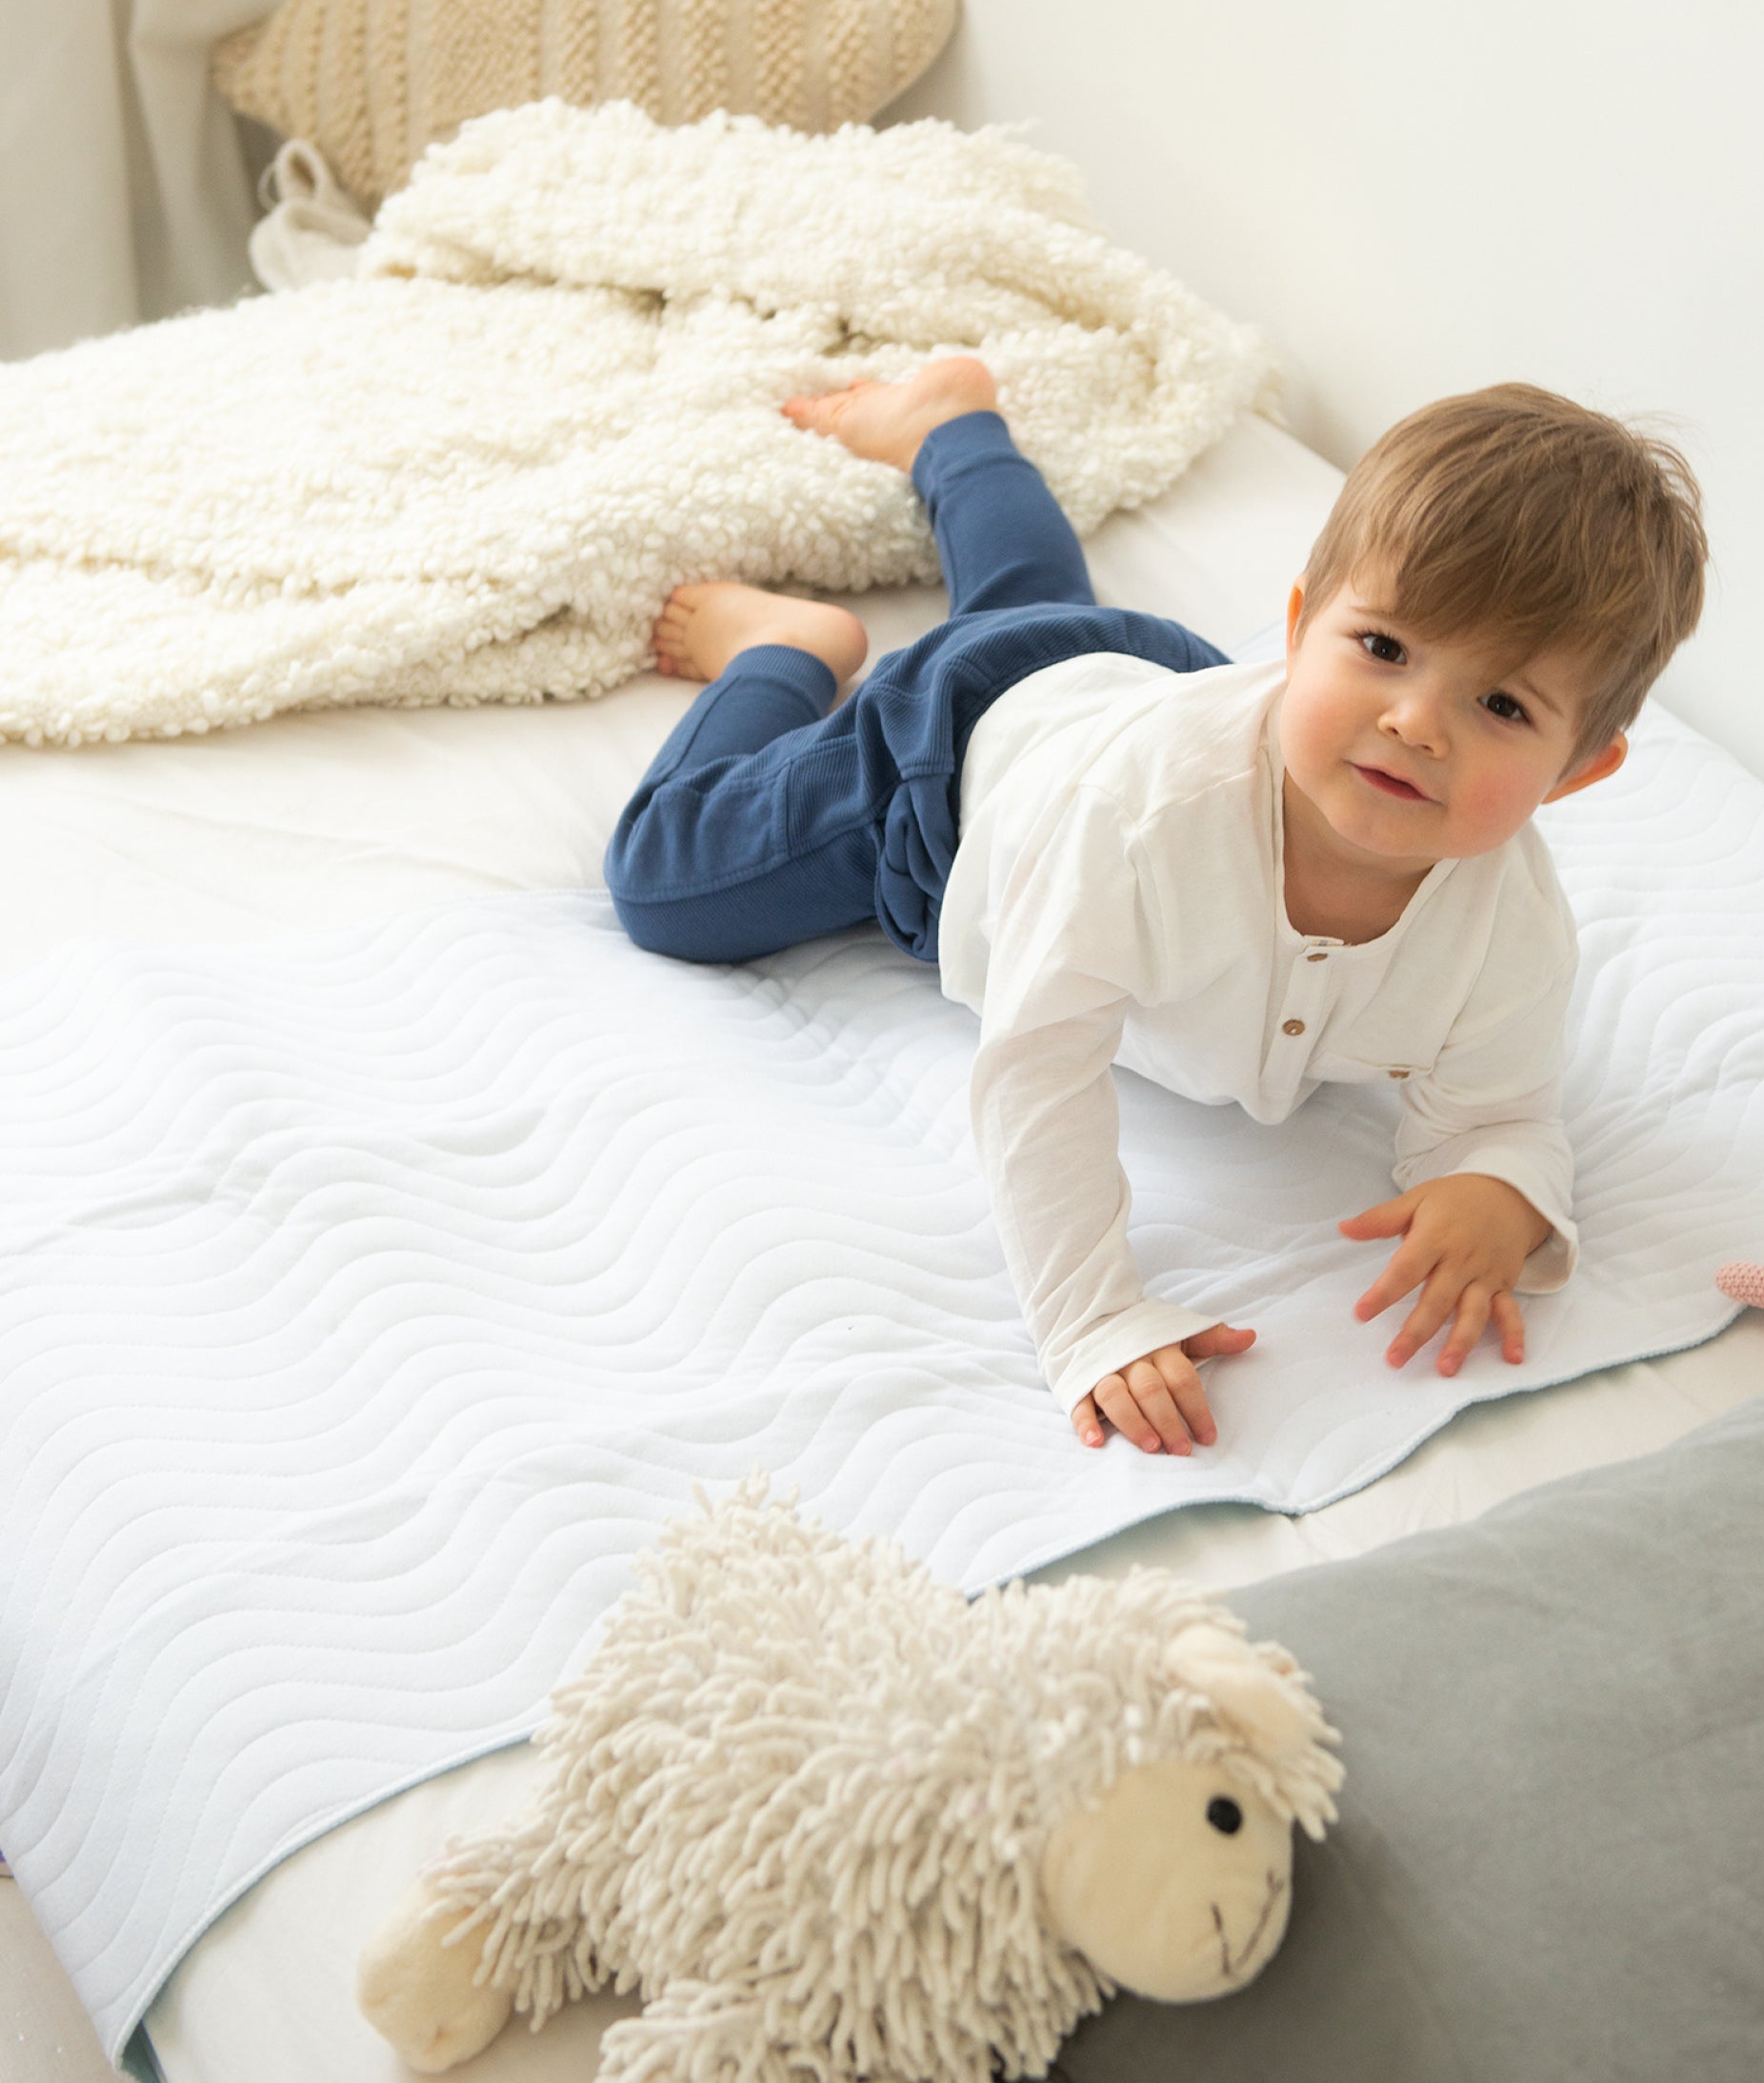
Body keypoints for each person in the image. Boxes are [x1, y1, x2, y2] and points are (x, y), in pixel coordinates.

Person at [606, 359, 1707, 1455]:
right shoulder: (1141, 828)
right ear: (1299, 624)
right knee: (665, 880)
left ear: (1577, 771)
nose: (1416, 722)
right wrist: (1091, 1315)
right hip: (947, 773)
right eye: (1380, 649)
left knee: (1033, 606)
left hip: (1126, 682)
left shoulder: (1509, 928)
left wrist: (1494, 1185)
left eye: (1502, 704)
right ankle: (785, 649)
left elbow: (1499, 1110)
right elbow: (1040, 1065)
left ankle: (955, 429)